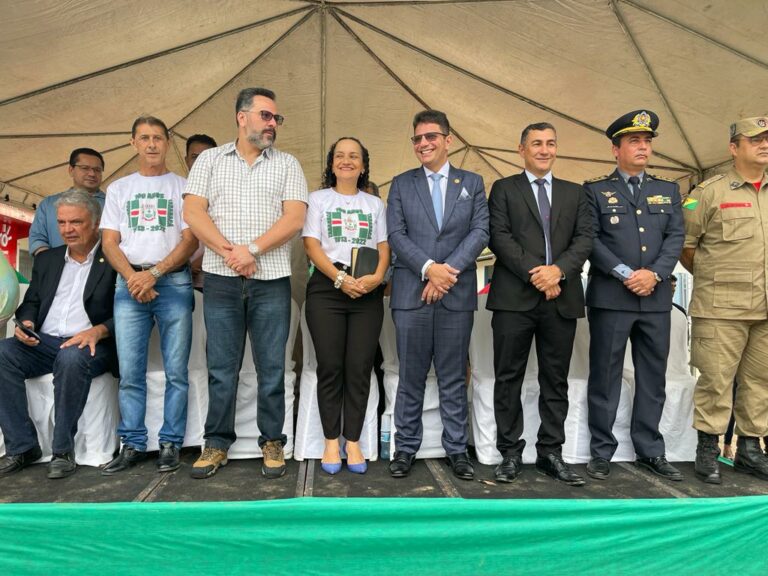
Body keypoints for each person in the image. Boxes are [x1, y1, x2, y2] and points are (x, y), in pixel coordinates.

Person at [183, 87, 308, 479]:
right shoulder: (209, 159)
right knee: (222, 368)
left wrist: (251, 249)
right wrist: (228, 251)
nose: (273, 124)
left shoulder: (288, 163)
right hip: (220, 280)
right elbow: (192, 211)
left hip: (270, 281)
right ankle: (216, 443)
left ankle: (273, 442)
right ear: (242, 117)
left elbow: (295, 219)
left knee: (272, 367)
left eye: (276, 119)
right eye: (267, 116)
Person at [487, 122, 593, 486]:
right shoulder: (503, 189)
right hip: (515, 298)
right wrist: (539, 274)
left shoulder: (575, 193)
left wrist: (558, 272)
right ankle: (510, 453)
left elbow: (585, 240)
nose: (544, 150)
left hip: (560, 298)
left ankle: (551, 452)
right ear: (521, 149)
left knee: (555, 380)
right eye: (536, 143)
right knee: (508, 377)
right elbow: (498, 237)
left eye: (550, 143)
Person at [386, 110, 489, 480]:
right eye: (417, 138)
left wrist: (447, 273)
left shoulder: (472, 182)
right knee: (411, 376)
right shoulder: (401, 184)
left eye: (431, 136)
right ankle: (405, 448)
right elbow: (396, 235)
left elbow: (480, 232)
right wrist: (430, 268)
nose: (424, 144)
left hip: (456, 295)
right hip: (412, 293)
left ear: (448, 140)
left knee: (452, 376)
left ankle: (457, 449)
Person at [584, 110, 684, 482]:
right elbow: (590, 239)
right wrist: (627, 274)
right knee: (605, 376)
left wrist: (654, 274)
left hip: (655, 297)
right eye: (633, 141)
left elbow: (675, 237)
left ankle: (650, 450)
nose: (642, 147)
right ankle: (601, 451)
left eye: (647, 142)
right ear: (615, 149)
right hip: (612, 297)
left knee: (652, 377)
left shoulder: (668, 190)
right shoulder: (593, 191)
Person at [100, 116, 197, 475]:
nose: (152, 144)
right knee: (131, 372)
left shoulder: (184, 186)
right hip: (129, 284)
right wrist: (133, 277)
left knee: (176, 371)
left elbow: (191, 239)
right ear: (133, 143)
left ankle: (170, 442)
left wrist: (153, 274)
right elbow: (109, 241)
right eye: (144, 138)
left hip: (171, 282)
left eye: (158, 138)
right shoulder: (119, 188)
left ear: (168, 142)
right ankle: (133, 444)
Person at [0, 190, 117, 479]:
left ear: (96, 222)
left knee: (70, 358)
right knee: (1, 352)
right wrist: (25, 323)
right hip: (44, 341)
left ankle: (63, 450)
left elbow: (130, 313)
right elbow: (33, 302)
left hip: (92, 343)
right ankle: (22, 446)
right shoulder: (49, 259)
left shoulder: (114, 259)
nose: (67, 229)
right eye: (62, 222)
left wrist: (98, 330)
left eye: (76, 222)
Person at [680, 116, 768, 484]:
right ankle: (707, 447)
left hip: (765, 308)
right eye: (756, 139)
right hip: (720, 308)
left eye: (767, 139)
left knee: (760, 382)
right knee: (715, 381)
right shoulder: (707, 192)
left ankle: (749, 448)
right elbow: (685, 246)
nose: (764, 145)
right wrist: (719, 278)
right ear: (734, 147)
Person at [302, 137, 390, 475]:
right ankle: (329, 439)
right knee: (330, 367)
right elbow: (311, 245)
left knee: (359, 366)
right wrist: (339, 280)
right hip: (327, 288)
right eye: (340, 156)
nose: (347, 161)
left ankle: (352, 440)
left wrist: (378, 278)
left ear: (364, 164)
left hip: (366, 288)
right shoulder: (317, 199)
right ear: (331, 163)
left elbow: (383, 246)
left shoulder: (374, 204)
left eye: (354, 156)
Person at [28, 148, 106, 256]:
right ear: (71, 170)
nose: (92, 173)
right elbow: (37, 239)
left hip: (103, 270)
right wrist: (50, 263)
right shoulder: (48, 204)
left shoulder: (114, 204)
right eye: (85, 168)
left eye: (97, 170)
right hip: (56, 270)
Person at [184, 134, 218, 291]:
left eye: (206, 156)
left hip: (215, 278)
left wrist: (197, 264)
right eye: (194, 157)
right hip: (178, 277)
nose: (200, 162)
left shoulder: (224, 193)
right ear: (186, 160)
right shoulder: (177, 189)